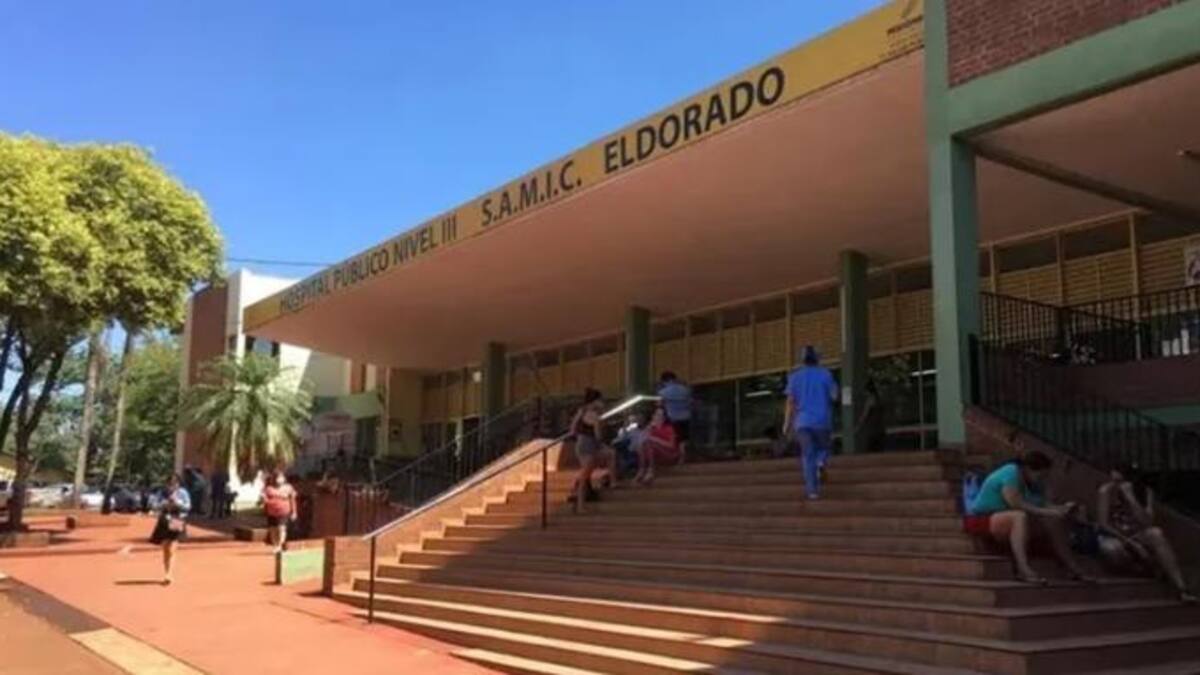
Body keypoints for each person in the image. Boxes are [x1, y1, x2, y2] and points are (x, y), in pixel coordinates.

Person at [963, 451, 1095, 585]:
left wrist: (1063, 509)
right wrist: (1048, 512)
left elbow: (1044, 504)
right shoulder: (1011, 472)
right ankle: (1023, 568)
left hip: (1006, 518)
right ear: (1028, 469)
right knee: (1019, 517)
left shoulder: (1034, 483)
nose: (1042, 479)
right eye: (1041, 475)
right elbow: (1015, 503)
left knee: (1053, 521)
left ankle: (1073, 568)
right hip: (983, 518)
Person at [1097, 463, 1195, 603]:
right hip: (1117, 537)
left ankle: (1182, 589)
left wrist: (1131, 498)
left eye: (1121, 479)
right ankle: (1145, 568)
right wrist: (1131, 544)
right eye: (1114, 478)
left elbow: (1148, 523)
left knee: (1156, 533)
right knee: (1111, 550)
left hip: (1138, 535)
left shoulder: (1145, 492)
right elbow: (1103, 524)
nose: (1116, 482)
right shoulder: (1105, 491)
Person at [783, 346, 838, 499]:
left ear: (802, 360)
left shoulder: (794, 377)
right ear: (817, 359)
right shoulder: (826, 374)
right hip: (822, 421)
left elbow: (790, 402)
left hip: (802, 423)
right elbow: (834, 396)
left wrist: (786, 423)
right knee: (824, 447)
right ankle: (820, 462)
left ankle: (812, 492)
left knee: (807, 455)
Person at [569, 388, 609, 511]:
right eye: (600, 400)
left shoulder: (582, 411)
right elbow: (598, 435)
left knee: (585, 473)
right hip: (589, 445)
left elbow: (572, 429)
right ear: (596, 401)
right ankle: (580, 504)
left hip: (580, 443)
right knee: (585, 475)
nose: (602, 403)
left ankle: (581, 497)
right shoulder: (595, 415)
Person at [149, 473, 191, 585]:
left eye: (175, 483)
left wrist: (177, 503)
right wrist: (165, 503)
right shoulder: (162, 492)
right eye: (170, 483)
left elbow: (188, 506)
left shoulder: (183, 493)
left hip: (176, 518)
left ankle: (169, 575)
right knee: (165, 548)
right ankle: (166, 571)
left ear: (178, 483)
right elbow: (154, 504)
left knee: (172, 548)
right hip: (164, 519)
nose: (172, 485)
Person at [637, 407, 681, 485]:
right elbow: (641, 442)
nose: (658, 417)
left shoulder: (669, 428)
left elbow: (671, 445)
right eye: (656, 414)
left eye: (660, 415)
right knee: (643, 444)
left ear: (664, 417)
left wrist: (655, 439)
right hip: (654, 455)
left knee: (650, 443)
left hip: (669, 454)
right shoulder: (651, 428)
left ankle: (650, 471)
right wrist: (649, 427)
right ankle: (642, 469)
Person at [657, 372, 692, 464]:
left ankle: (676, 457)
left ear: (665, 380)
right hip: (686, 416)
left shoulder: (663, 392)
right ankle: (683, 456)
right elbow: (690, 403)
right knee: (683, 438)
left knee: (675, 438)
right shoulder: (685, 389)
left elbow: (659, 405)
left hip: (672, 417)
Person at [262, 468, 297, 554]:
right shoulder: (268, 489)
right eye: (278, 477)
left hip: (284, 512)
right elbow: (264, 500)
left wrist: (294, 512)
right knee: (273, 530)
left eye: (281, 477)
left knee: (282, 528)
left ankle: (280, 545)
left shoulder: (289, 488)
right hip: (272, 513)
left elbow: (292, 500)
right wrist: (268, 503)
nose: (280, 479)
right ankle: (276, 546)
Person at [856, 379, 886, 453]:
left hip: (872, 429)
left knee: (871, 449)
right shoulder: (880, 399)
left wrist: (858, 426)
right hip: (880, 428)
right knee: (879, 449)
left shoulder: (870, 400)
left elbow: (865, 414)